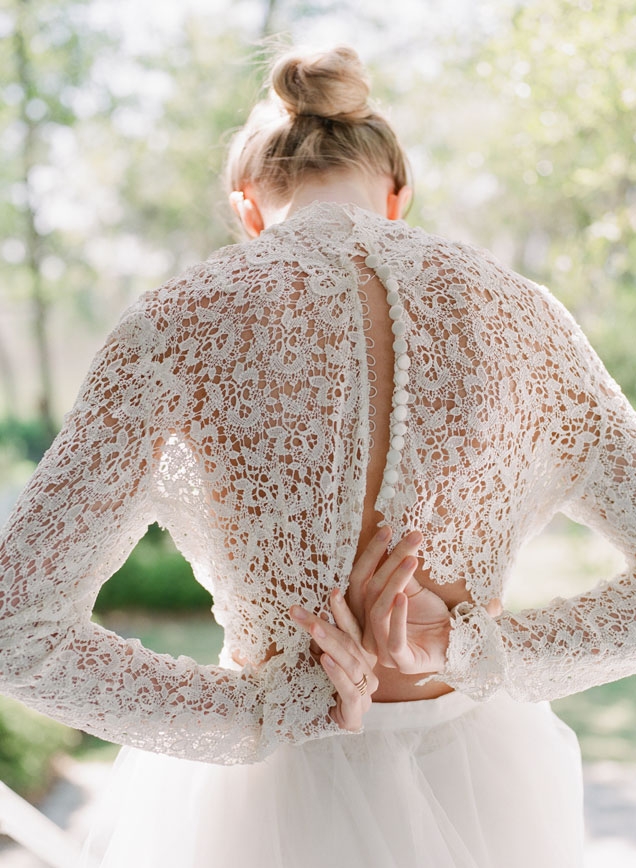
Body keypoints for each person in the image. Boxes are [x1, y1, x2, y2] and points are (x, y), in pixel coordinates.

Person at [0, 43, 635, 868]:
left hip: (260, 804)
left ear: (247, 207)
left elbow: (16, 628)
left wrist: (266, 710)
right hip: (482, 784)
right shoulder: (526, 316)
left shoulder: (174, 324)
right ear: (396, 195)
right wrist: (467, 649)